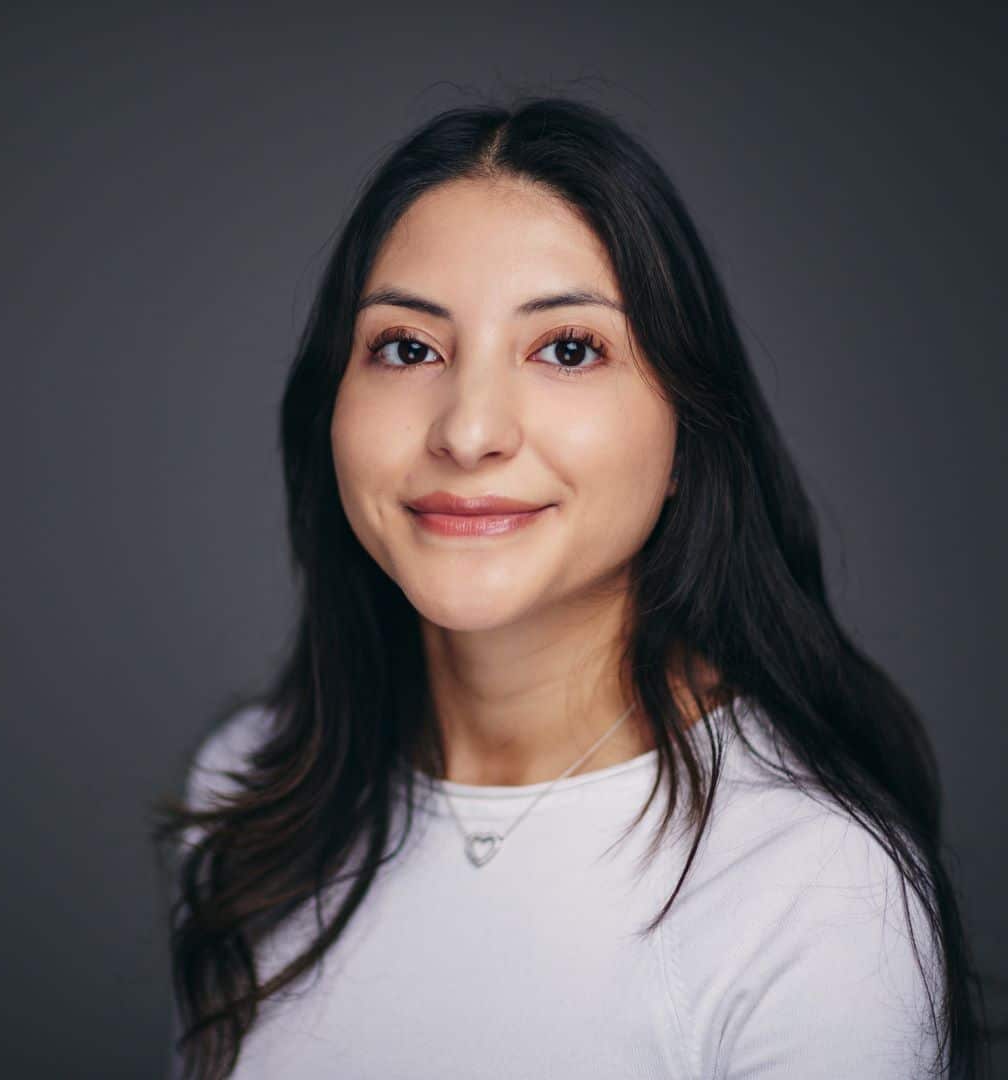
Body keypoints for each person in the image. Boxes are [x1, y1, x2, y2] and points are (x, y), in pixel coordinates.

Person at [153, 96, 991, 1079]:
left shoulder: (809, 887)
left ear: (688, 433)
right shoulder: (253, 794)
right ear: (329, 405)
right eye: (408, 348)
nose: (468, 433)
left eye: (567, 349)